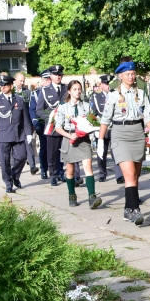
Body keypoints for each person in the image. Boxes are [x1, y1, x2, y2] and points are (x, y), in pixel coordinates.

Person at [97, 61, 150, 224]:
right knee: (129, 174)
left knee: (135, 175)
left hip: (137, 132)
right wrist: (101, 140)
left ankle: (128, 209)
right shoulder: (114, 95)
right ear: (120, 76)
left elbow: (148, 114)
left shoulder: (142, 93)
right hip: (120, 134)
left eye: (133, 73)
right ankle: (135, 210)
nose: (131, 76)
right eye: (127, 74)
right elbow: (105, 119)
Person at [53, 79, 103, 209]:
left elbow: (92, 121)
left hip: (84, 139)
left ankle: (92, 196)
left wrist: (94, 128)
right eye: (75, 89)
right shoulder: (63, 107)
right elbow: (58, 127)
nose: (78, 92)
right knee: (70, 171)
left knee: (88, 167)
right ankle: (72, 195)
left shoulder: (86, 106)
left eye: (79, 89)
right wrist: (70, 135)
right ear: (69, 91)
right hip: (69, 139)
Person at [0, 75, 34, 193]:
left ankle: (15, 176)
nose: (2, 88)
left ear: (11, 86)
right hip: (4, 135)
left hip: (18, 134)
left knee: (22, 157)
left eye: (5, 86)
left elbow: (26, 118)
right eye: (1, 86)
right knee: (5, 161)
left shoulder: (19, 99)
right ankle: (8, 182)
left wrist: (28, 133)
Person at [34, 67, 66, 186]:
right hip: (52, 126)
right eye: (55, 74)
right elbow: (39, 110)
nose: (58, 76)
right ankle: (53, 174)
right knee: (52, 151)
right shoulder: (44, 90)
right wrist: (50, 118)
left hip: (65, 125)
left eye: (60, 74)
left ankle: (61, 172)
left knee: (64, 151)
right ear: (51, 76)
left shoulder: (66, 88)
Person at [90, 75, 113, 181]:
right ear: (102, 84)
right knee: (101, 151)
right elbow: (93, 113)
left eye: (109, 84)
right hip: (101, 127)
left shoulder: (116, 95)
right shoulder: (96, 97)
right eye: (106, 84)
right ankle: (102, 173)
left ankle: (119, 174)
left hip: (113, 127)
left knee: (116, 151)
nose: (108, 86)